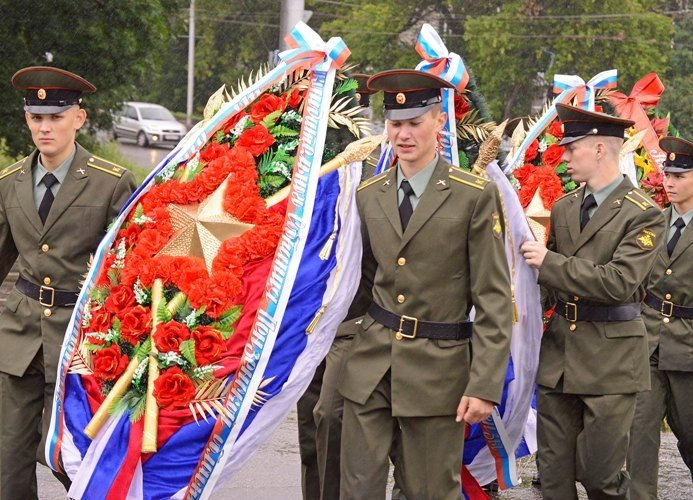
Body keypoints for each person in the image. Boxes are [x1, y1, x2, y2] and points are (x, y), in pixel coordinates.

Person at [337, 69, 512, 499]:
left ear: (439, 121)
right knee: (357, 488)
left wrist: (484, 385)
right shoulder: (370, 194)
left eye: (415, 122)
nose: (403, 134)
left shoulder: (473, 195)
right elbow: (361, 283)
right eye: (395, 123)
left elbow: (493, 298)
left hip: (438, 372)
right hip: (371, 366)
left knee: (429, 490)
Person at [0, 66, 136, 499]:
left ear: (79, 118)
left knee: (76, 461)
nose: (45, 127)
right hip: (18, 339)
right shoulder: (9, 183)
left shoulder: (111, 183)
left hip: (80, 343)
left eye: (56, 117)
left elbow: (127, 274)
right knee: (8, 465)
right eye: (36, 117)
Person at [520, 103, 666, 499]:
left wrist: (548, 263)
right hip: (561, 357)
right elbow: (550, 284)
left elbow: (619, 282)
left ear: (600, 149)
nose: (564, 157)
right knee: (553, 476)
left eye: (572, 149)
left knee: (600, 474)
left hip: (611, 361)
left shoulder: (644, 214)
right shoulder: (565, 207)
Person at [627, 136, 693, 498]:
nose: (670, 182)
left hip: (689, 345)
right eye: (667, 174)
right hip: (649, 340)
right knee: (639, 435)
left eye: (680, 176)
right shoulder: (653, 221)